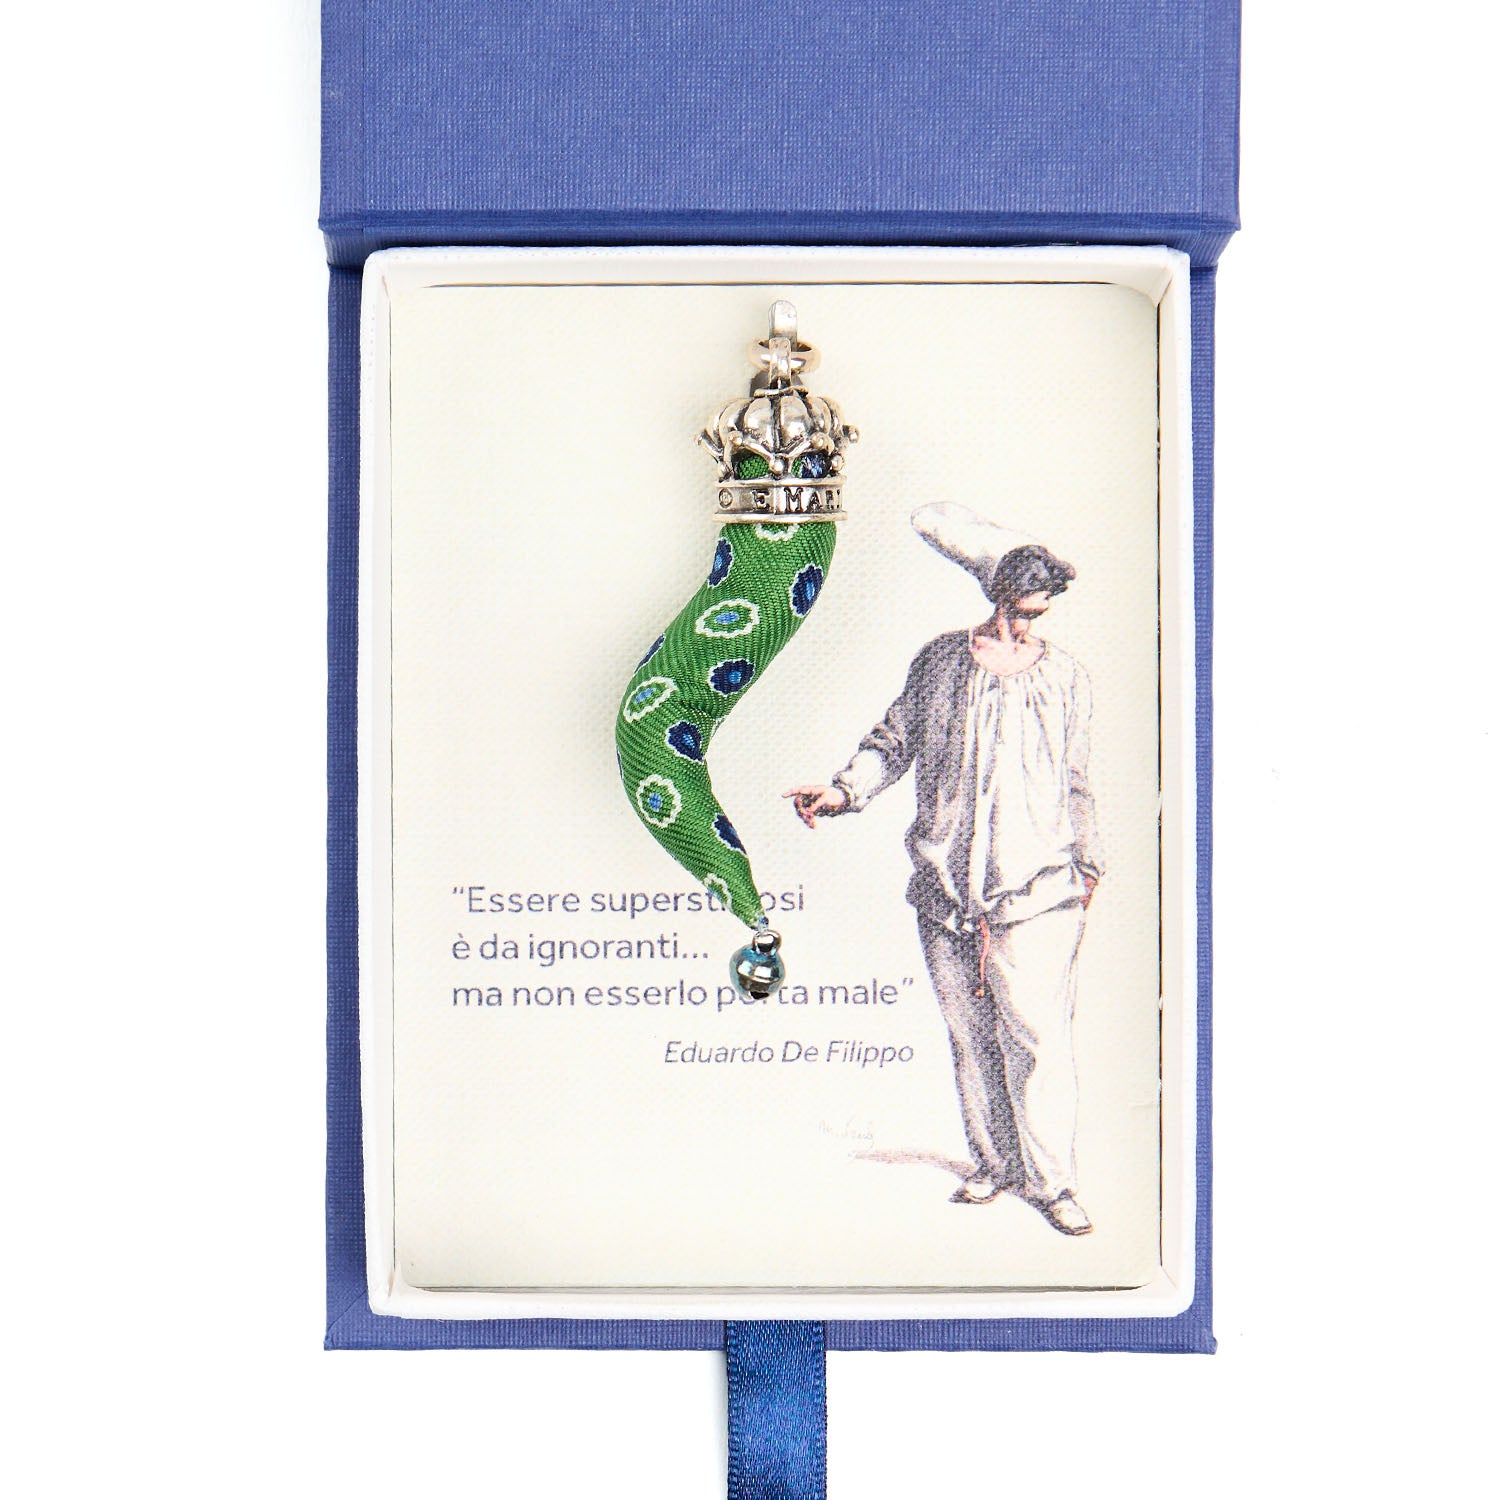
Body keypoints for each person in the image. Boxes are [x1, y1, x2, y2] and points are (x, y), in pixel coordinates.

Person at [785, 502, 1103, 1235]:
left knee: (1038, 1041)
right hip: (945, 889)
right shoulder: (940, 662)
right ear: (996, 596)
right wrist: (843, 792)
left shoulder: (1066, 677)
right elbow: (893, 740)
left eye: (1039, 610)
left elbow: (1078, 778)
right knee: (970, 1035)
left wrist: (1089, 862)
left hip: (1040, 889)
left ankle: (1053, 1183)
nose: (1028, 623)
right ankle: (995, 1164)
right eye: (1019, 607)